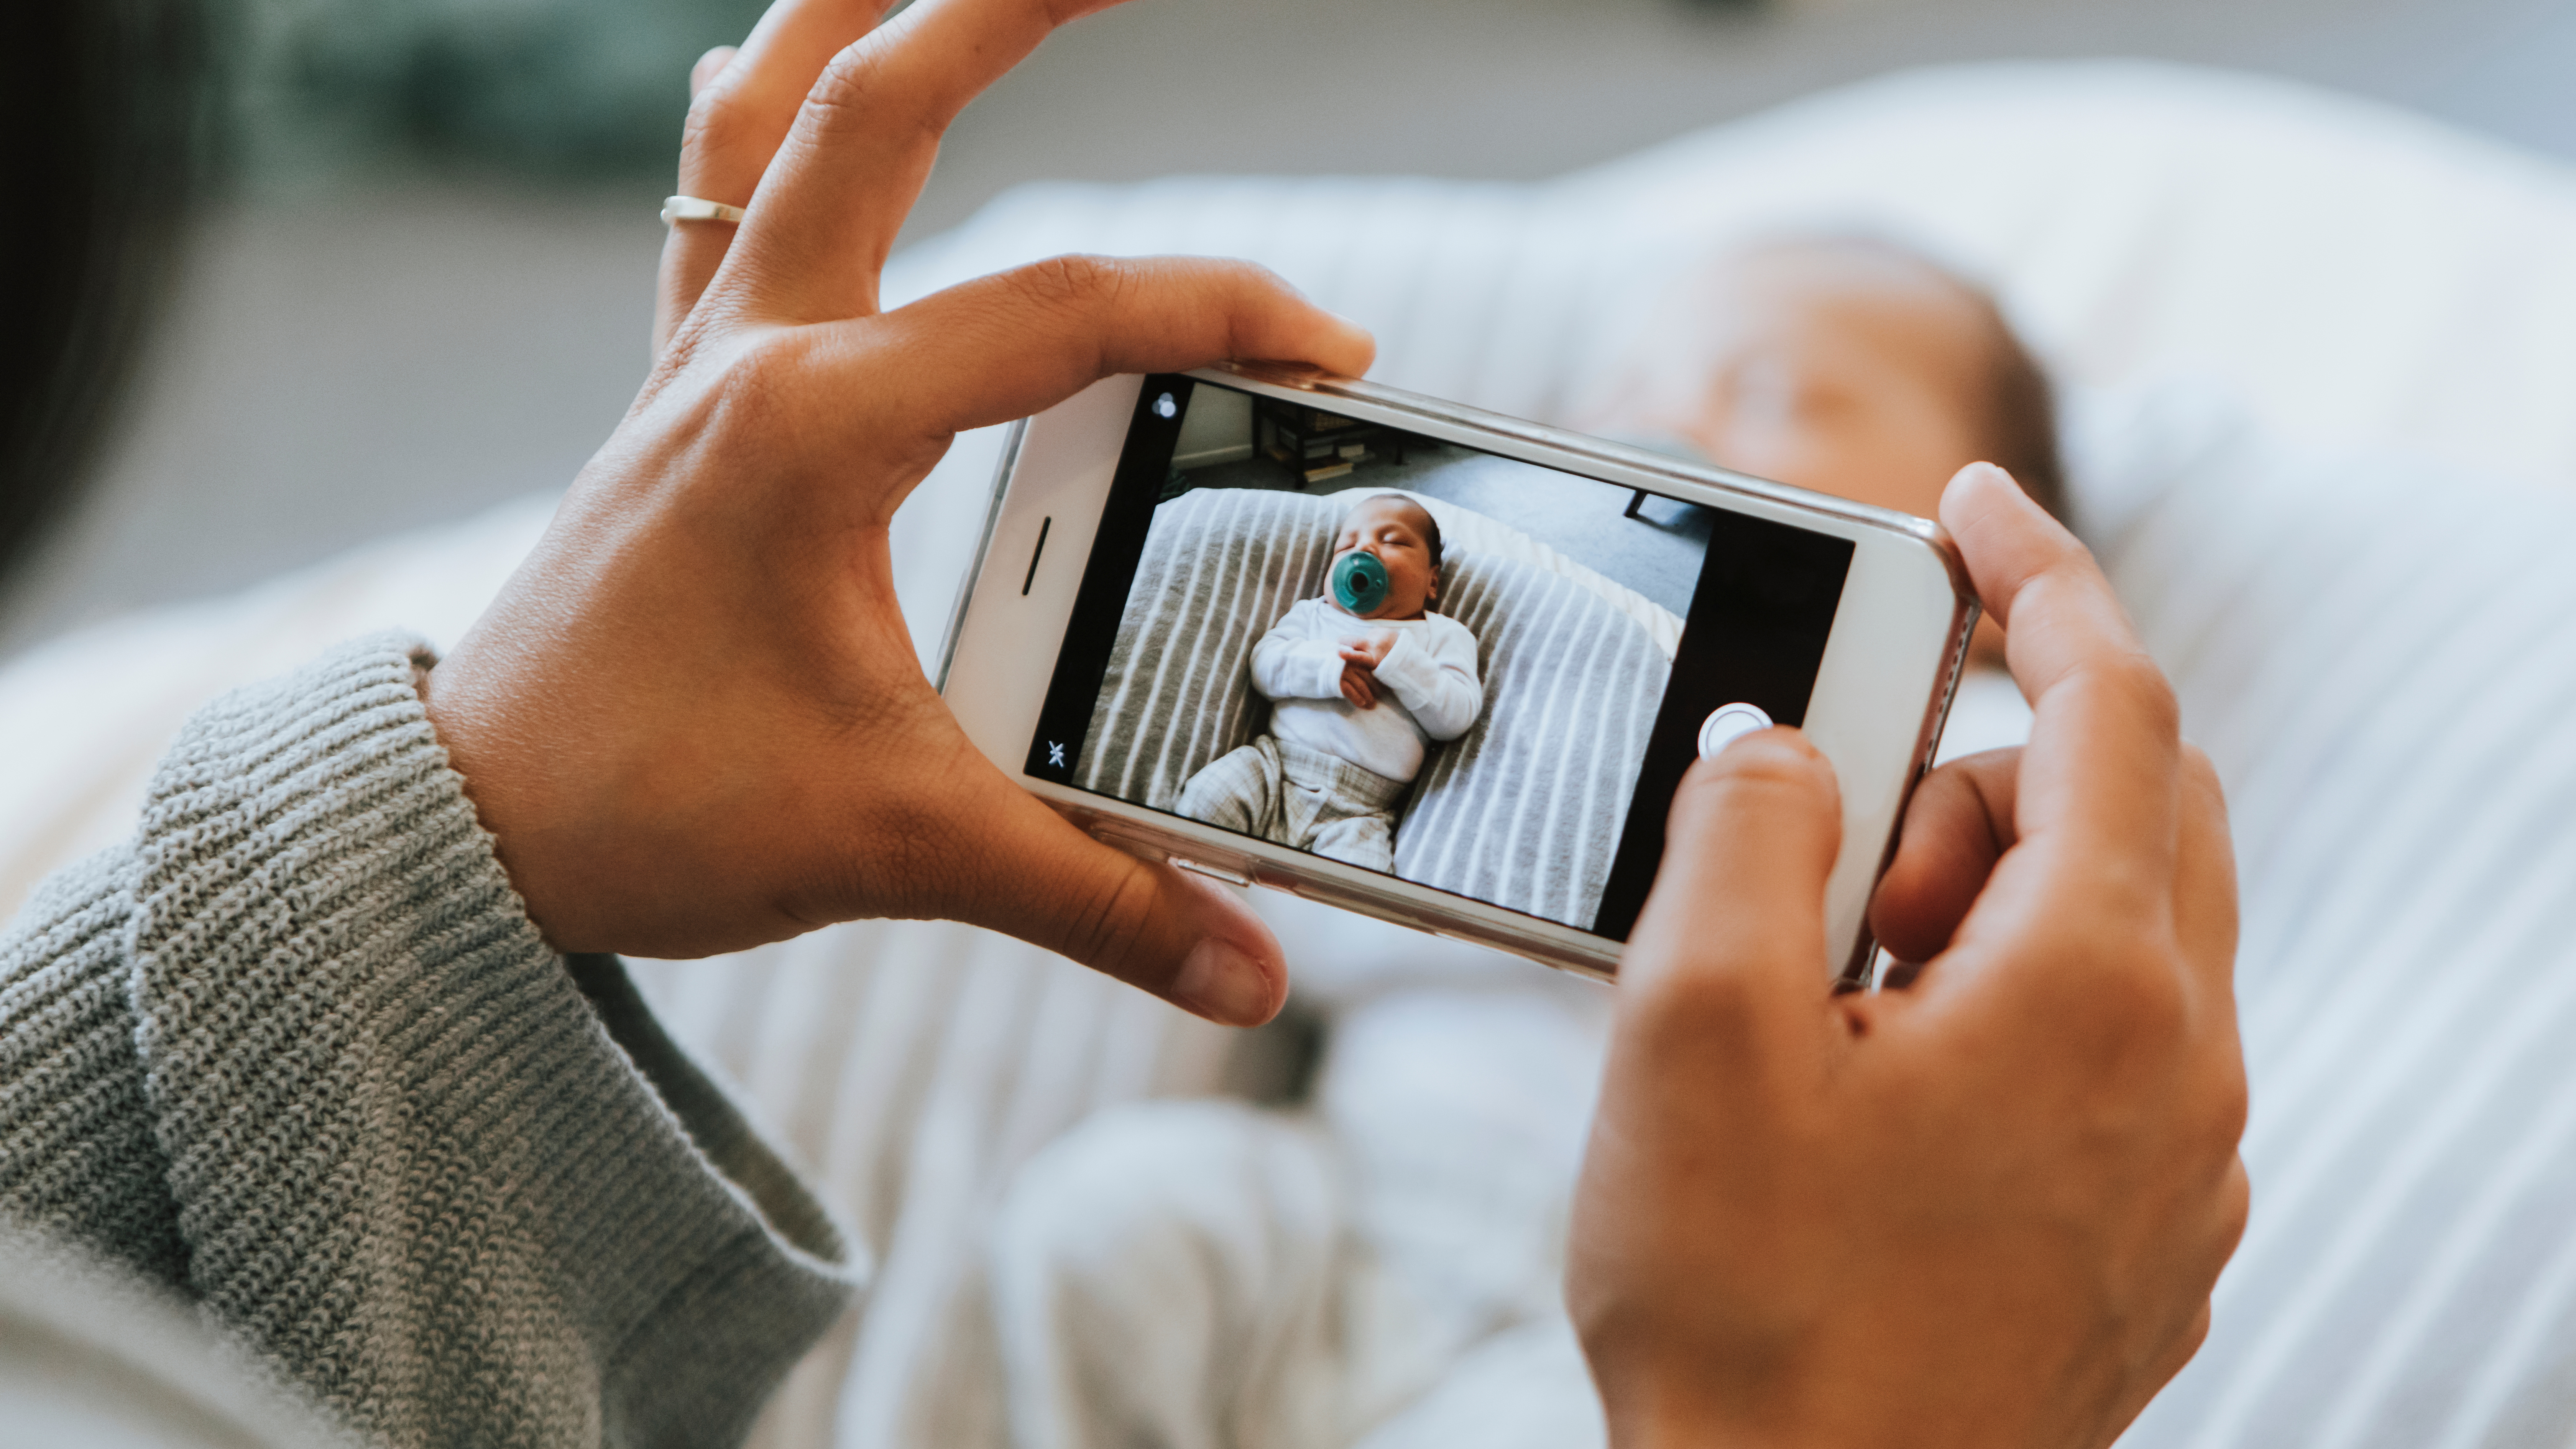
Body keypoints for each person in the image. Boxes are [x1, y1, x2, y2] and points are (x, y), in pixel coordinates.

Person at [0, 0, 2247, 1446]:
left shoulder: (1945, 768)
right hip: (1359, 1212)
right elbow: (1325, 890)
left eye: (1777, 399)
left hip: (1564, 1325)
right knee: (1116, 1225)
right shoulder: (1453, 600)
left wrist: (474, 811)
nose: (1675, 422)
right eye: (1634, 393)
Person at [1176, 493, 1482, 872]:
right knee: (1207, 799)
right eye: (1346, 546)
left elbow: (1456, 717)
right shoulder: (1313, 614)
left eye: (1392, 541)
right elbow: (1264, 666)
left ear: (1432, 581)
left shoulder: (1444, 635)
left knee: (1358, 884)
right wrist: (1325, 667)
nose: (1364, 549)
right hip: (1273, 769)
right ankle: (1195, 888)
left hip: (1361, 812)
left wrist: (1401, 662)